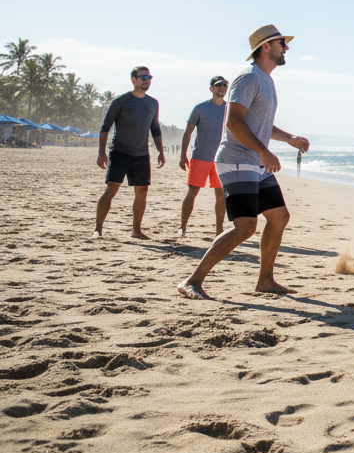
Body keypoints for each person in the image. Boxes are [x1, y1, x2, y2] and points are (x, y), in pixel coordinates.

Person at [177, 25, 310, 300]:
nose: (287, 48)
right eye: (282, 43)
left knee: (279, 217)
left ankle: (265, 280)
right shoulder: (248, 78)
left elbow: (259, 123)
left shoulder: (266, 80)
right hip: (237, 160)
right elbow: (234, 121)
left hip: (254, 162)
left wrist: (289, 138)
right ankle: (192, 280)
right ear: (265, 46)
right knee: (246, 226)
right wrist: (264, 152)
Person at [95, 66, 164, 239]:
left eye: (149, 77)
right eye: (143, 77)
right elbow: (105, 127)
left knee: (142, 191)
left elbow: (155, 129)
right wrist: (101, 153)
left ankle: (136, 231)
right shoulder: (121, 101)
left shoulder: (153, 103)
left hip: (142, 154)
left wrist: (161, 151)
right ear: (134, 80)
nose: (147, 80)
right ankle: (98, 230)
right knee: (111, 189)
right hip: (120, 152)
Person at [178, 76, 230, 236]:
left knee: (220, 195)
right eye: (219, 85)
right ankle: (183, 227)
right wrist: (182, 155)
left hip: (222, 159)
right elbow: (188, 132)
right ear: (211, 88)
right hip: (200, 156)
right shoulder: (200, 108)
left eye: (225, 85)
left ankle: (219, 230)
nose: (222, 87)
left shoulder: (230, 109)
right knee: (192, 192)